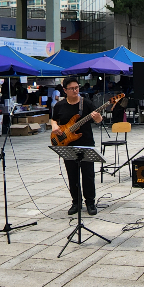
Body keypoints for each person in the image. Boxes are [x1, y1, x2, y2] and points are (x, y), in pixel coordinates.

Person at [50, 76, 103, 216]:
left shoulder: (86, 103)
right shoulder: (60, 105)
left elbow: (98, 119)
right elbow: (54, 119)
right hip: (67, 144)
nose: (75, 90)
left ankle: (90, 202)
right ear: (65, 90)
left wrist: (98, 118)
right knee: (72, 174)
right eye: (72, 88)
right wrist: (54, 126)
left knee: (88, 174)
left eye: (77, 88)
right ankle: (76, 202)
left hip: (85, 143)